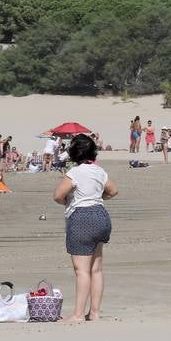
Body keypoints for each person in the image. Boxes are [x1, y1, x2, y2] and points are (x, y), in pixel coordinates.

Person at [53, 134, 118, 322]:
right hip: (101, 215)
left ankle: (78, 314)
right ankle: (95, 312)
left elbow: (58, 195)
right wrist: (98, 197)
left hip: (82, 217)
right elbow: (113, 190)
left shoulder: (75, 172)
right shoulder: (99, 171)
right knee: (96, 268)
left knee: (81, 270)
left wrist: (68, 201)